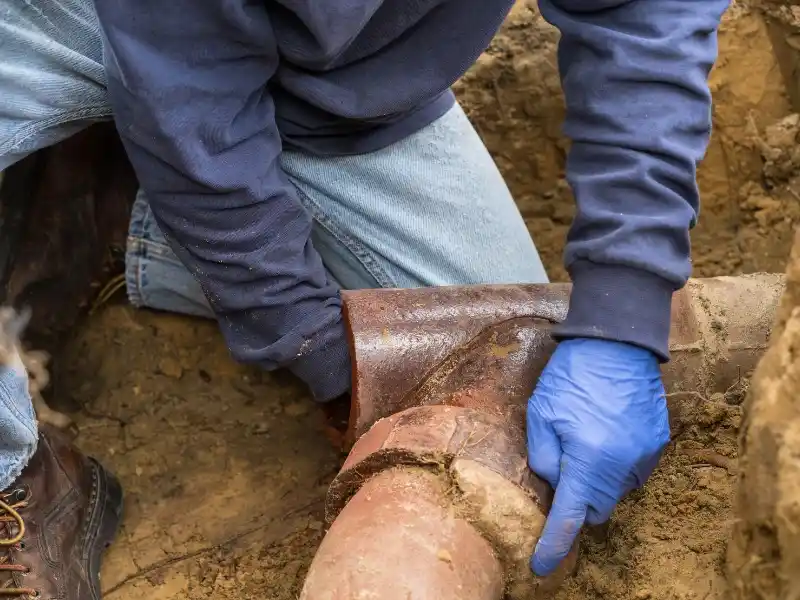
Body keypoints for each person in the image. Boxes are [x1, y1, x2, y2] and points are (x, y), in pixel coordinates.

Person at [0, 0, 728, 594]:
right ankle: (15, 469)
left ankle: (119, 215)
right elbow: (191, 112)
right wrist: (319, 352)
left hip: (322, 78)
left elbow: (645, 15)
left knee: (499, 350)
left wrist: (623, 312)